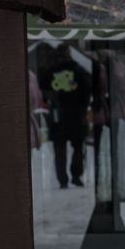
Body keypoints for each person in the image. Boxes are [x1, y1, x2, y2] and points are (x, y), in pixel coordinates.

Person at [36, 44, 93, 189]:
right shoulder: (78, 70)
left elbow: (42, 89)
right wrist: (83, 109)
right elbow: (86, 92)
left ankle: (63, 179)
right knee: (78, 146)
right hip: (75, 114)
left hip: (58, 115)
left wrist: (50, 101)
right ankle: (76, 175)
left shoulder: (50, 71)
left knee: (59, 148)